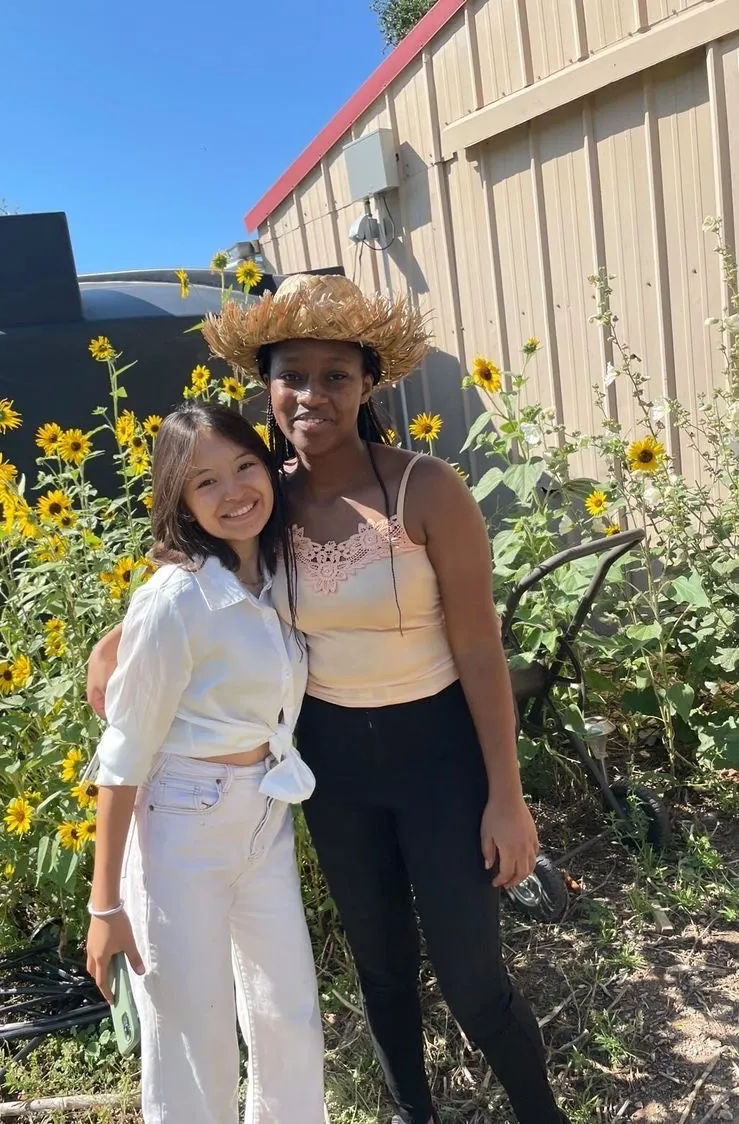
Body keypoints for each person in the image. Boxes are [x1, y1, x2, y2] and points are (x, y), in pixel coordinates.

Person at [88, 275, 569, 1124]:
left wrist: (507, 796)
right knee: (380, 965)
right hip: (330, 766)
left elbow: (479, 651)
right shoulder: (261, 496)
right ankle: (410, 1113)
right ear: (265, 386)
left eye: (335, 375)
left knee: (471, 978)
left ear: (367, 384)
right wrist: (119, 643)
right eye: (292, 375)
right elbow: (192, 577)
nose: (312, 394)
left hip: (439, 760)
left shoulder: (426, 489)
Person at [85, 402, 325, 1124]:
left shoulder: (277, 574)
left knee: (287, 1013)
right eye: (205, 483)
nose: (233, 493)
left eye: (244, 467)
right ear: (180, 502)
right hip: (182, 826)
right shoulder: (175, 598)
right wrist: (104, 907)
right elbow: (122, 754)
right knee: (194, 1036)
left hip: (264, 815)